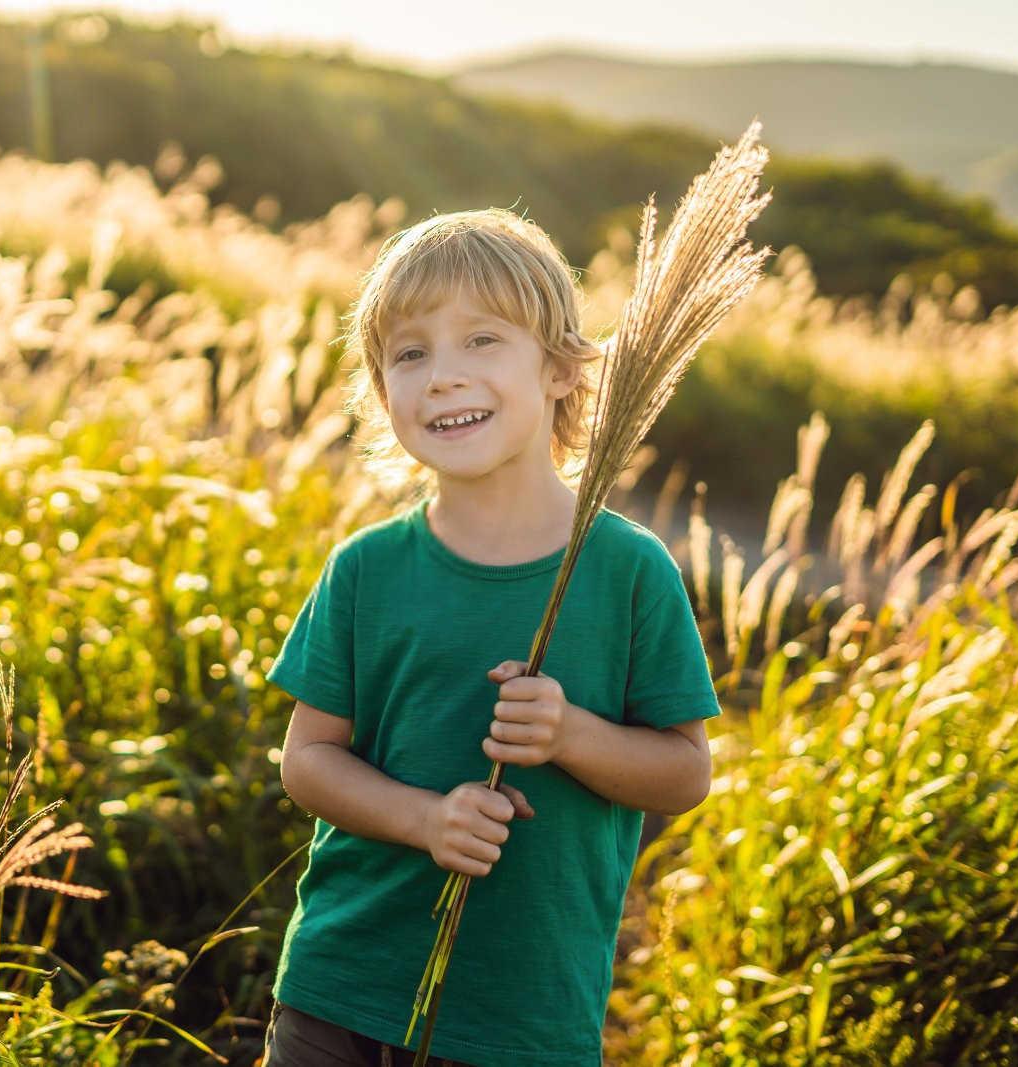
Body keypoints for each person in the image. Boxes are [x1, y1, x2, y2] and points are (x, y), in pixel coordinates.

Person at [258, 208, 722, 1067]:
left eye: (481, 340)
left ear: (559, 367)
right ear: (380, 388)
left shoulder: (626, 571)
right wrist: (427, 818)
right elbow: (308, 760)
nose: (441, 376)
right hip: (338, 984)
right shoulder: (366, 568)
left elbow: (685, 772)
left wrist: (572, 734)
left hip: (520, 1016)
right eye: (410, 353)